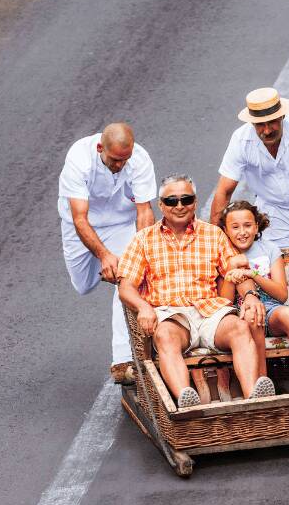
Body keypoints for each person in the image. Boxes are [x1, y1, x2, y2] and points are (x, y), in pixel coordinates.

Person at [118, 174, 275, 409]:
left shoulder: (213, 234)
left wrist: (251, 296)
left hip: (210, 311)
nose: (179, 206)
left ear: (194, 201)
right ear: (161, 205)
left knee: (240, 328)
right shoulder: (143, 240)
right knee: (164, 336)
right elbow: (126, 286)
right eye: (172, 201)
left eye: (186, 199)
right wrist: (143, 307)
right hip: (171, 315)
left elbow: (237, 271)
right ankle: (187, 402)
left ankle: (254, 397)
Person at [210, 87, 289, 324]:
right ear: (252, 123)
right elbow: (224, 190)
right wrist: (214, 239)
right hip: (274, 213)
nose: (267, 130)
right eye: (260, 125)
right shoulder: (241, 140)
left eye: (271, 123)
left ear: (281, 117)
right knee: (284, 276)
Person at [58, 122, 156, 384]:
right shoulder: (79, 159)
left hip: (121, 224)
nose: (120, 166)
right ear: (101, 148)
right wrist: (103, 255)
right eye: (114, 161)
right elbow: (80, 218)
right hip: (81, 224)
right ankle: (106, 267)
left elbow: (145, 212)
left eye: (125, 160)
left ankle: (123, 361)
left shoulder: (140, 159)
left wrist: (140, 255)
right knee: (83, 285)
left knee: (129, 280)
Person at [217, 200, 289, 392]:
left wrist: (253, 274)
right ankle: (262, 383)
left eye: (247, 225)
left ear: (257, 226)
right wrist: (230, 272)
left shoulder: (269, 249)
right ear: (226, 230)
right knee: (253, 316)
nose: (242, 232)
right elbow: (225, 301)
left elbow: (282, 294)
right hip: (240, 312)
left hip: (271, 307)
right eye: (235, 227)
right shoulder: (224, 254)